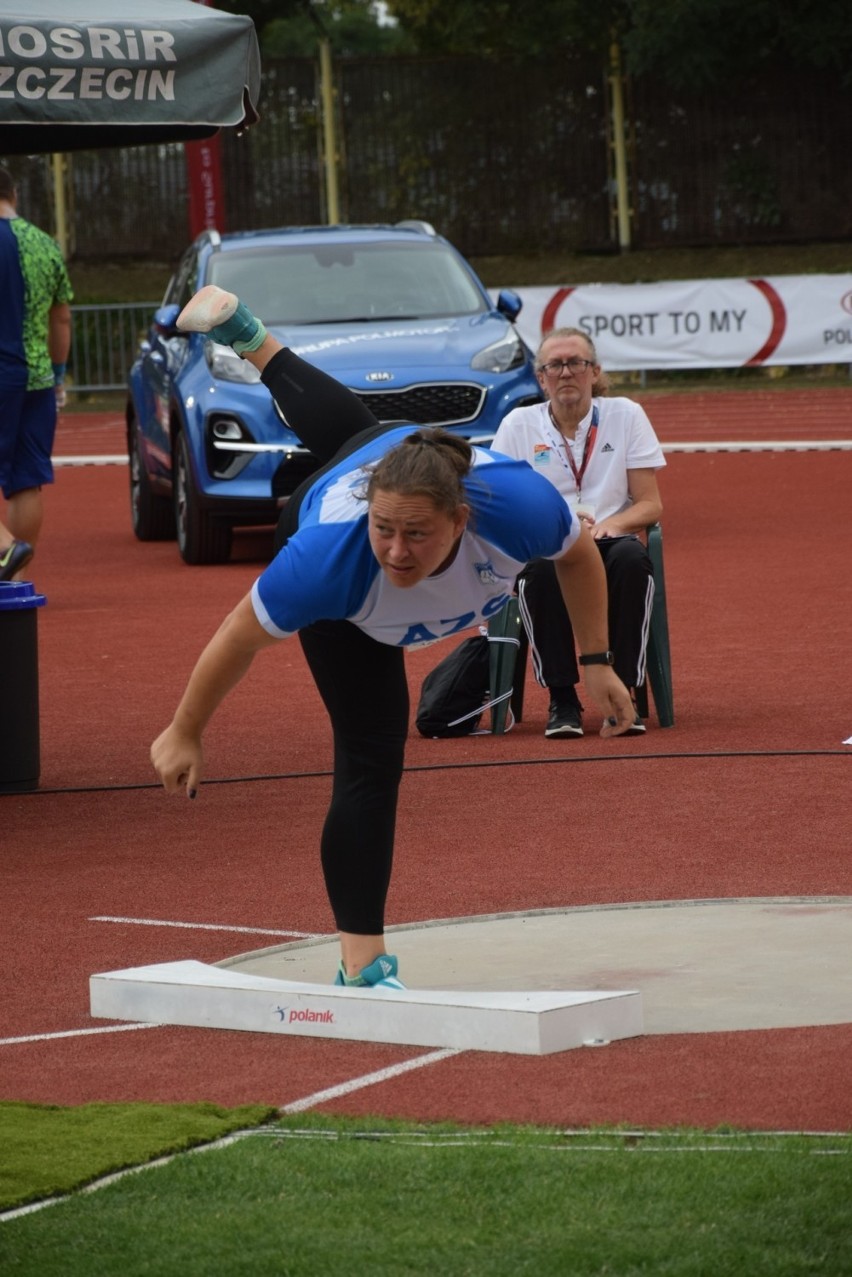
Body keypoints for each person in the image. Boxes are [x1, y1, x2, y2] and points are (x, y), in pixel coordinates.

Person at [150, 286, 635, 991]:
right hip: (352, 603)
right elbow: (237, 636)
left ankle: (246, 331)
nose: (399, 552)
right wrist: (184, 728)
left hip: (397, 449)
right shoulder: (327, 563)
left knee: (366, 431)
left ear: (462, 518)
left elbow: (579, 555)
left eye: (417, 534)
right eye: (387, 529)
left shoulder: (520, 508)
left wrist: (594, 663)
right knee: (372, 760)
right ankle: (362, 965)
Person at [491, 327, 666, 739]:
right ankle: (563, 698)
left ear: (594, 372)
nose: (565, 372)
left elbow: (650, 504)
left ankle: (624, 692)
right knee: (540, 570)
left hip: (609, 540)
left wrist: (613, 524)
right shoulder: (518, 424)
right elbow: (499, 503)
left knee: (632, 560)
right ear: (541, 378)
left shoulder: (626, 414)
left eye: (576, 363)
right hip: (550, 545)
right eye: (555, 365)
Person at [0, 166, 73, 582]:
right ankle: (11, 578)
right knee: (27, 480)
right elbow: (61, 319)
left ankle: (6, 549)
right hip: (38, 379)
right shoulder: (45, 244)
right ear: (15, 193)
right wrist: (58, 373)